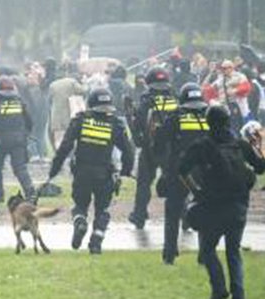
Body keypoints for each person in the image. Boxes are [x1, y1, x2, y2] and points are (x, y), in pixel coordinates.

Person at [180, 106, 265, 299]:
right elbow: (261, 168)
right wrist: (260, 145)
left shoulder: (202, 145)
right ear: (228, 121)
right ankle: (239, 293)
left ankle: (219, 289)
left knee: (208, 250)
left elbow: (182, 169)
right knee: (233, 251)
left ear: (208, 122)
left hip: (213, 206)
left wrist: (196, 191)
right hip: (239, 206)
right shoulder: (240, 144)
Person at [48, 88, 134, 255]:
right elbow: (128, 151)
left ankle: (80, 223)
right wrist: (126, 170)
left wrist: (54, 170)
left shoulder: (80, 120)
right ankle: (96, 241)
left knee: (80, 206)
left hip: (82, 172)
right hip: (105, 174)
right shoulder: (115, 124)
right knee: (103, 210)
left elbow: (65, 147)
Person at [154, 82, 209, 265]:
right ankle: (204, 255)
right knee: (205, 211)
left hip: (180, 170)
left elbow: (160, 143)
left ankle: (169, 254)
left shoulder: (176, 116)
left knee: (173, 213)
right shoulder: (210, 115)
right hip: (205, 170)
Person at [128, 66, 178, 229]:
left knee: (143, 183)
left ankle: (139, 215)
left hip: (150, 148)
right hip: (171, 148)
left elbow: (140, 123)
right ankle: (183, 214)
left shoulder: (146, 99)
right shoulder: (175, 98)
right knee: (175, 183)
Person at [0, 77, 35, 202]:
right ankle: (30, 193)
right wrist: (25, 134)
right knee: (20, 168)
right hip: (18, 140)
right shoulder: (19, 101)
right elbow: (29, 120)